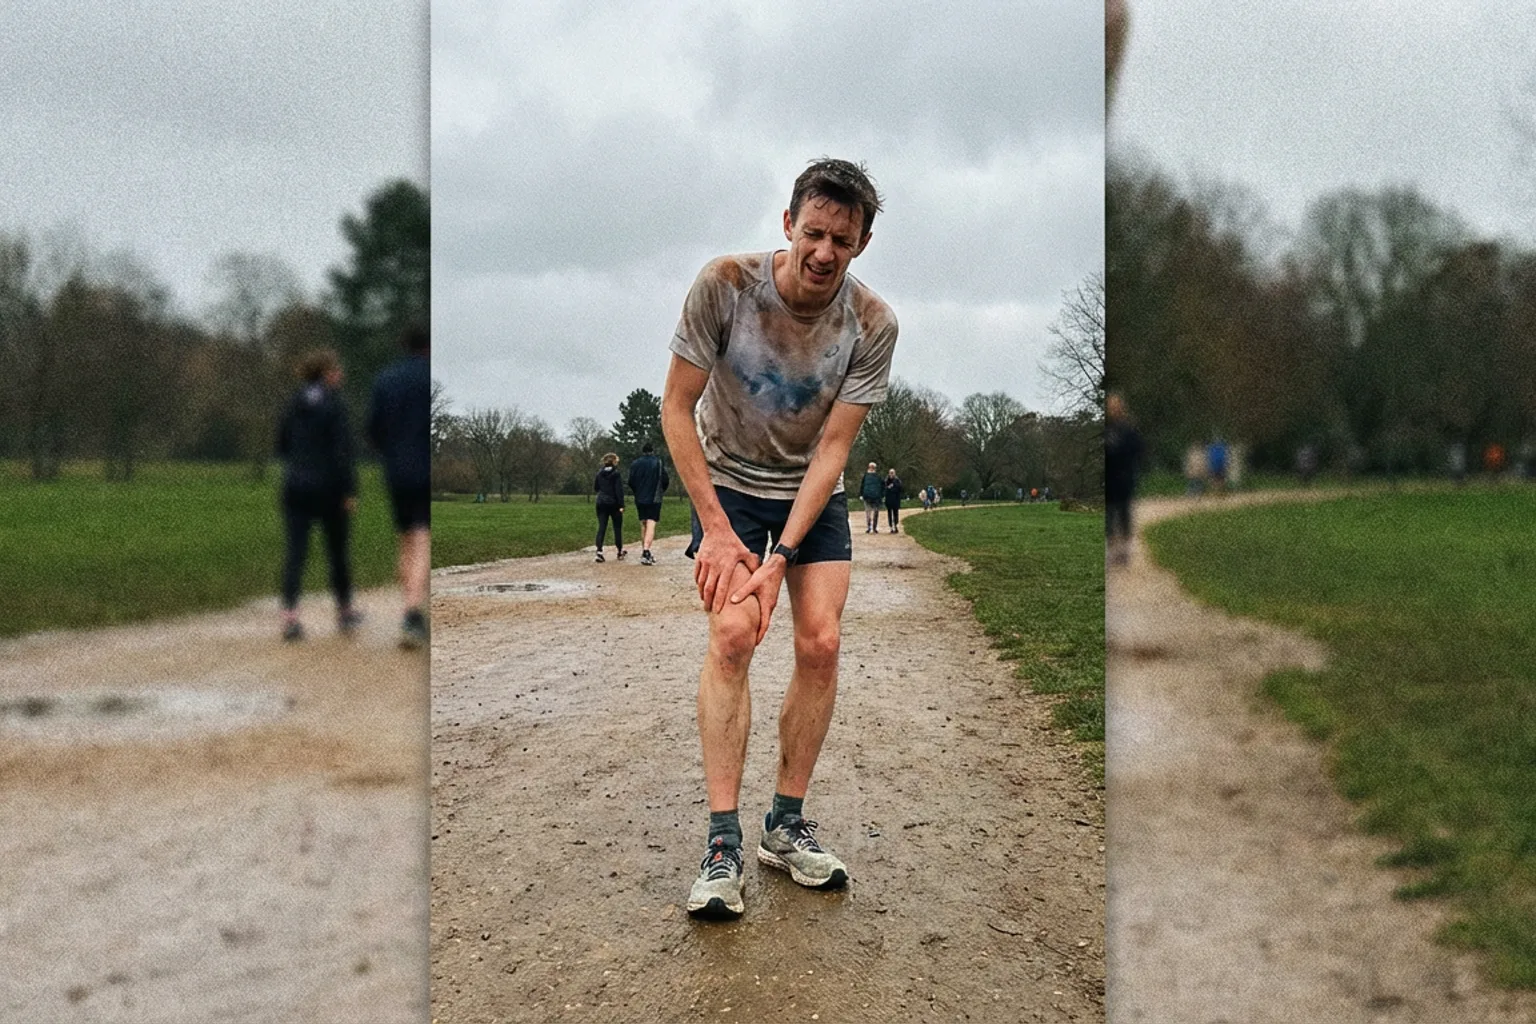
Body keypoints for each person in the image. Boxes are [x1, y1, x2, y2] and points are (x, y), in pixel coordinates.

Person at [660, 157, 897, 919]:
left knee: (820, 642)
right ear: (789, 224)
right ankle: (723, 842)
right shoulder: (724, 285)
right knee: (734, 635)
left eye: (845, 239)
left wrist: (783, 556)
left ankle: (784, 825)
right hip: (727, 482)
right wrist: (721, 536)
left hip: (807, 493)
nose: (827, 252)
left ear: (861, 243)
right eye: (816, 232)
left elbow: (833, 450)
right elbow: (675, 408)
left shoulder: (873, 324)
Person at [276, 349, 358, 642]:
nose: (341, 375)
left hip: (295, 485)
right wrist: (349, 490)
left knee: (295, 553)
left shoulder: (294, 401)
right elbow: (342, 451)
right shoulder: (335, 404)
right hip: (329, 488)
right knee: (337, 552)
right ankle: (345, 611)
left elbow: (282, 443)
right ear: (327, 373)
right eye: (337, 370)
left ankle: (290, 617)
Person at [367, 323, 431, 649]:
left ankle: (409, 599)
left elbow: (373, 430)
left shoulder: (386, 379)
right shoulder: (428, 377)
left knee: (405, 538)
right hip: (423, 468)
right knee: (421, 538)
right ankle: (412, 612)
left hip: (395, 469)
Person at [1105, 392, 1144, 566]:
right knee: (1109, 515)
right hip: (1109, 478)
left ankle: (1125, 549)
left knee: (1124, 513)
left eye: (1116, 406)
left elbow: (1137, 451)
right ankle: (1113, 549)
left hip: (1125, 477)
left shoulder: (1128, 429)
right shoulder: (1106, 429)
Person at [627, 442, 670, 565]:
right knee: (651, 523)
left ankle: (645, 551)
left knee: (643, 524)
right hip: (654, 498)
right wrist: (661, 491)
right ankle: (646, 551)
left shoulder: (635, 464)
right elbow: (665, 479)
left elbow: (630, 481)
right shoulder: (658, 462)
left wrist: (637, 491)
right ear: (652, 451)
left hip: (640, 498)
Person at [593, 453, 626, 562]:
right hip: (614, 503)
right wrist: (621, 505)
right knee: (617, 528)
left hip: (601, 502)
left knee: (602, 527)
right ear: (614, 462)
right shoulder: (616, 474)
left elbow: (596, 487)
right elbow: (619, 491)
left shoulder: (599, 473)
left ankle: (599, 551)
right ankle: (620, 551)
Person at [858, 462, 882, 533]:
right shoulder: (878, 476)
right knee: (875, 512)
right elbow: (882, 486)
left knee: (868, 512)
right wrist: (882, 495)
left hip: (867, 496)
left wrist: (861, 494)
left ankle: (869, 527)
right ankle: (874, 527)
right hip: (876, 497)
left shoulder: (865, 476)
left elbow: (862, 486)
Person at [883, 467, 904, 533]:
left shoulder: (898, 481)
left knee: (895, 513)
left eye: (892, 473)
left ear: (895, 473)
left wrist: (892, 488)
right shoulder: (886, 481)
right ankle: (891, 526)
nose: (891, 474)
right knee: (889, 513)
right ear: (889, 474)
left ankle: (895, 525)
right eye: (890, 473)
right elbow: (885, 489)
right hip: (889, 500)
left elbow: (900, 489)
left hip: (895, 500)